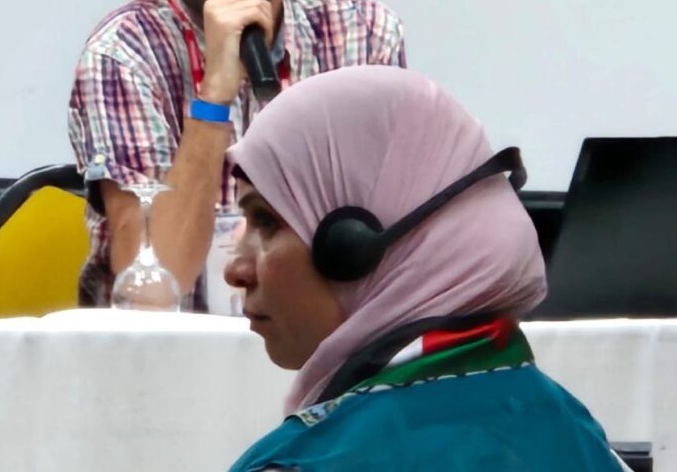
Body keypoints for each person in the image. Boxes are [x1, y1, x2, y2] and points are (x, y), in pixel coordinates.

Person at [68, 0, 405, 307]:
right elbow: (155, 292)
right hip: (170, 360)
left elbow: (377, 241)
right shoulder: (122, 54)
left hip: (320, 346)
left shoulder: (362, 32)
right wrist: (216, 91)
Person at [224, 66, 623, 471]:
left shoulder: (299, 463)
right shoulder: (586, 441)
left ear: (354, 246)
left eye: (267, 221)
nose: (235, 269)